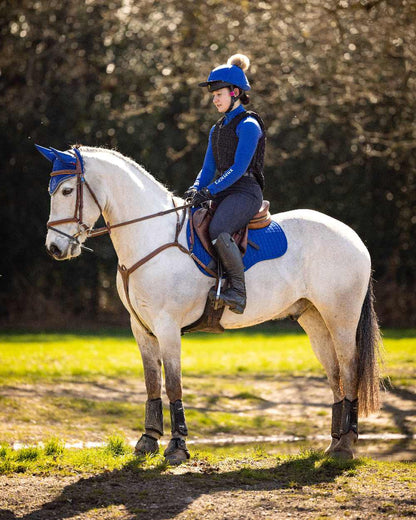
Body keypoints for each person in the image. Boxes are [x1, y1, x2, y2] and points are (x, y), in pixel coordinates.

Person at [185, 53, 266, 315]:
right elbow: (208, 168)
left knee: (219, 228)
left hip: (245, 191)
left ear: (235, 93)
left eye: (219, 94)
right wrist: (197, 188)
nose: (215, 100)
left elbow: (238, 169)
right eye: (213, 96)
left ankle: (239, 292)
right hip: (222, 190)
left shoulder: (250, 125)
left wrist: (210, 190)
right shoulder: (216, 129)